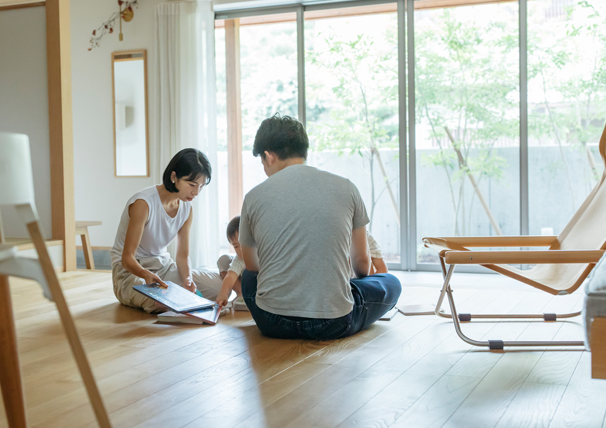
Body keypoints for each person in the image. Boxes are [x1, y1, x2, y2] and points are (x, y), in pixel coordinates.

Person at [239, 115, 402, 340]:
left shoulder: (253, 196)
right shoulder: (347, 187)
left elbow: (251, 265)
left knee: (248, 278)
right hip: (334, 322)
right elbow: (362, 263)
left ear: (268, 156)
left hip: (272, 322)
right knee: (391, 282)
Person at [110, 148, 225, 313]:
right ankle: (172, 299)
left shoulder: (186, 208)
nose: (196, 192)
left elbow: (182, 255)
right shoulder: (143, 203)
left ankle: (179, 296)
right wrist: (146, 275)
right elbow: (127, 258)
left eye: (201, 186)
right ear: (173, 177)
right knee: (162, 302)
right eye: (192, 184)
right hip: (131, 273)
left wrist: (187, 279)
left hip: (163, 267)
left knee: (221, 287)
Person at [215, 216, 245, 307]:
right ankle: (241, 294)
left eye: (244, 243)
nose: (241, 250)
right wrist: (223, 293)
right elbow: (230, 276)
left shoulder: (261, 254)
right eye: (236, 246)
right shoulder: (239, 259)